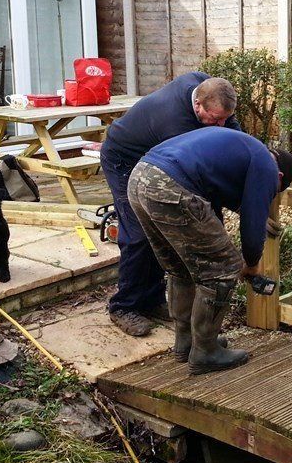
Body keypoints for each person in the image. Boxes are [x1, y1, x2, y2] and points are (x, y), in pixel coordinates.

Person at [127, 128, 292, 374]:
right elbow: (251, 230)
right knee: (223, 269)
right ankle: (206, 350)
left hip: (140, 179)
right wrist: (251, 264)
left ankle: (187, 342)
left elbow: (210, 212)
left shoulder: (242, 149)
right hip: (170, 186)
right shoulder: (267, 166)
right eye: (276, 189)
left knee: (181, 267)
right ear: (280, 175)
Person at [101, 72, 241, 336]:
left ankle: (152, 300)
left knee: (161, 232)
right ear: (197, 105)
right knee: (140, 233)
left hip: (155, 158)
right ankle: (123, 306)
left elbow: (232, 138)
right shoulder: (175, 123)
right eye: (215, 119)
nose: (221, 125)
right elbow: (194, 181)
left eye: (226, 118)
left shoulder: (211, 91)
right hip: (124, 158)